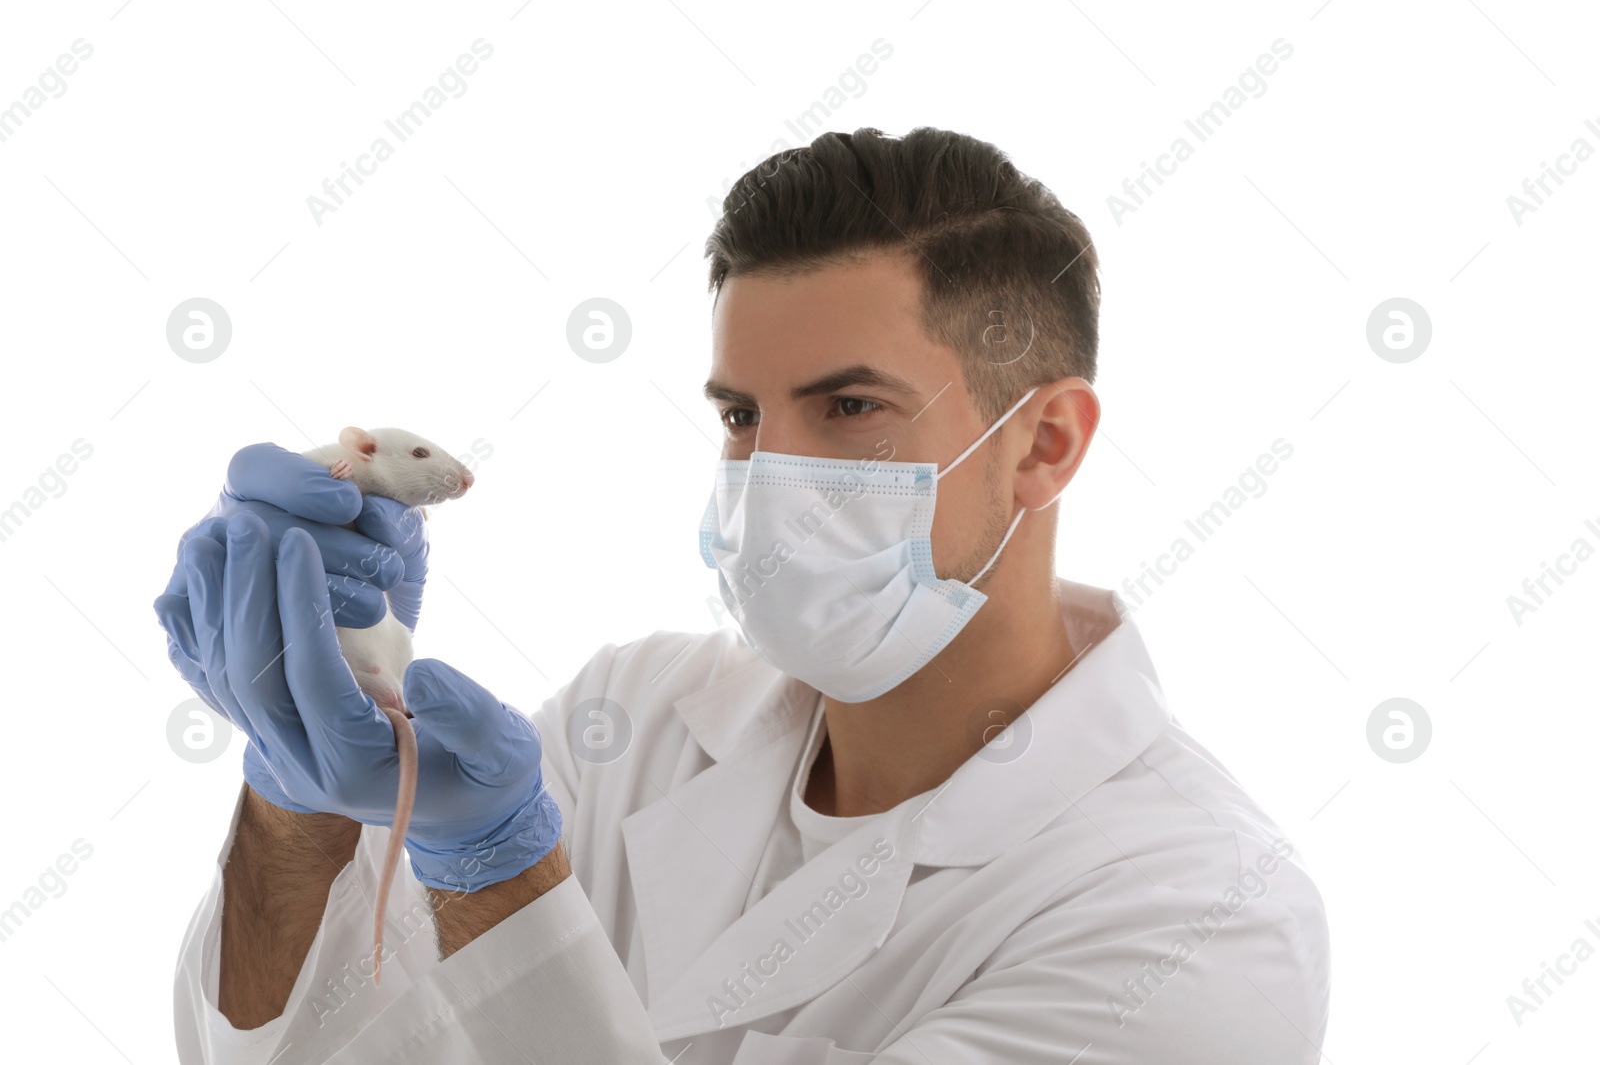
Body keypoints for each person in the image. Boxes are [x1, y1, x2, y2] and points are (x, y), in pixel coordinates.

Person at [155, 126, 1330, 1063]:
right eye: (740, 415)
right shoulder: (638, 716)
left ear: (1046, 441)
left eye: (850, 408)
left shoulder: (1198, 917)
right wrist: (296, 792)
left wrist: (500, 869)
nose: (768, 478)